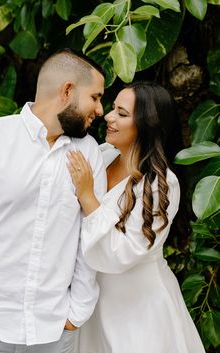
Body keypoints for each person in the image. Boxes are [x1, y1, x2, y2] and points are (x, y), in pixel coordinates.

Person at [67, 82, 206, 353]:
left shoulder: (161, 184)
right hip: (96, 301)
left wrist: (87, 197)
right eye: (112, 109)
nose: (108, 116)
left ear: (146, 124)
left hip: (139, 308)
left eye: (121, 113)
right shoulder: (103, 157)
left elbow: (124, 252)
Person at [0, 48, 107, 353]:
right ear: (67, 90)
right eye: (95, 97)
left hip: (53, 331)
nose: (101, 110)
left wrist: (75, 315)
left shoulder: (90, 152)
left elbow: (87, 238)